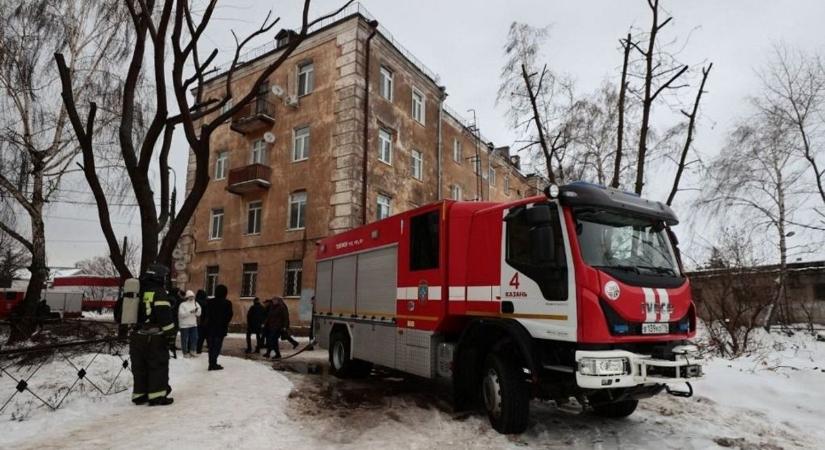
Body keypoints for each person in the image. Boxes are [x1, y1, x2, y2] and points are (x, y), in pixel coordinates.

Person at [129, 264, 176, 406]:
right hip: (154, 337)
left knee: (140, 367)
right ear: (158, 277)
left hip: (137, 336)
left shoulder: (138, 290)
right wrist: (171, 336)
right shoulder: (159, 292)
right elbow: (165, 317)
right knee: (158, 365)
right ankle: (157, 396)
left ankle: (140, 394)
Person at [203, 284, 233, 370]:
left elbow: (206, 314)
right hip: (220, 328)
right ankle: (213, 363)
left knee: (211, 346)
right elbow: (229, 315)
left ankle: (211, 363)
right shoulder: (227, 303)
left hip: (210, 328)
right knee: (217, 346)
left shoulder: (209, 302)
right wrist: (224, 323)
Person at [178, 290, 201, 357]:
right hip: (184, 325)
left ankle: (192, 350)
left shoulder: (196, 303)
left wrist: (196, 311)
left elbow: (199, 313)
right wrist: (190, 312)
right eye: (190, 296)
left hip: (193, 324)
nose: (191, 298)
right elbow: (181, 315)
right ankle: (185, 352)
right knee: (184, 339)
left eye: (193, 296)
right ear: (187, 297)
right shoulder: (183, 305)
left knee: (195, 338)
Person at [195, 290, 208, 354]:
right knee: (201, 337)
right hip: (203, 322)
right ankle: (198, 349)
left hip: (195, 321)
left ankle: (192, 348)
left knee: (194, 336)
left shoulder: (195, 302)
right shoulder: (206, 302)